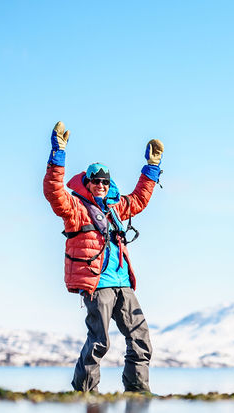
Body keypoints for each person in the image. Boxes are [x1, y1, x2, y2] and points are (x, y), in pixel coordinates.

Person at [42, 121, 163, 392]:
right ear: (87, 183)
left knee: (141, 340)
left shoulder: (117, 207)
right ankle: (84, 393)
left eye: (105, 181)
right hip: (97, 286)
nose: (100, 185)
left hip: (123, 284)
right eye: (96, 181)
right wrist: (57, 154)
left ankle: (137, 394)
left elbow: (139, 200)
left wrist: (152, 168)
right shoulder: (75, 207)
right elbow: (54, 193)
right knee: (99, 341)